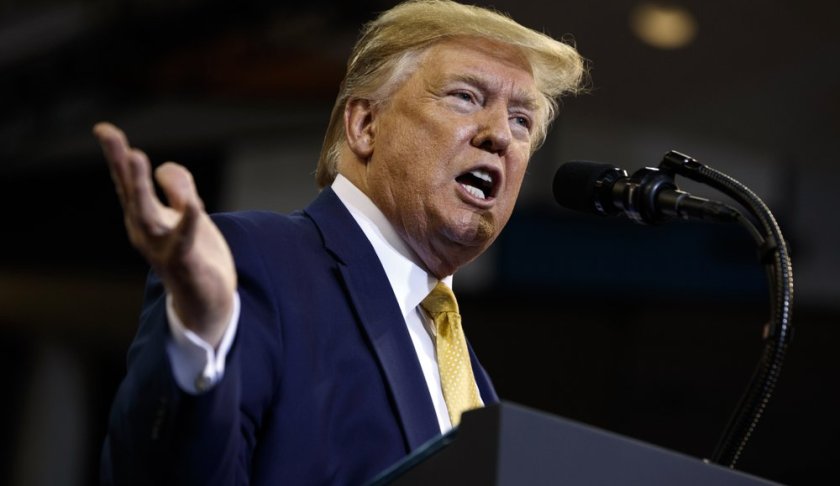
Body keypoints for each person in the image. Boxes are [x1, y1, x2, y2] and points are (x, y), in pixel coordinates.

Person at [95, 0, 585, 484]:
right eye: (465, 96)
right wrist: (198, 340)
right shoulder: (256, 260)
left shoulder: (471, 378)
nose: (500, 133)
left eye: (522, 120)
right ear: (365, 125)